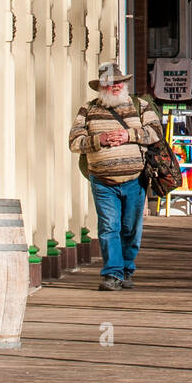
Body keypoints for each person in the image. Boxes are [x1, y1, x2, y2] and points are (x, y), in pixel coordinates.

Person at [69, 61, 164, 291]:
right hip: (103, 180)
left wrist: (127, 135)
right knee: (109, 226)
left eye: (118, 82)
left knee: (130, 228)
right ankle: (112, 274)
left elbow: (155, 132)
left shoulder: (140, 106)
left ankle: (126, 269)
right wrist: (98, 140)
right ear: (101, 86)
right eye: (110, 83)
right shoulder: (88, 109)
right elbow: (74, 142)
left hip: (135, 178)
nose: (115, 87)